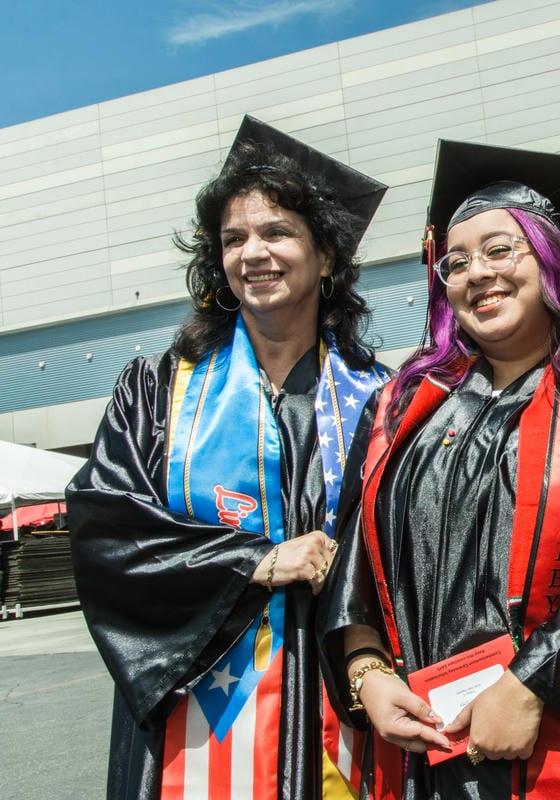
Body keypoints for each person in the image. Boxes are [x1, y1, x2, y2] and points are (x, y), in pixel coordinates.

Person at [317, 140, 560, 800]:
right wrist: (366, 671)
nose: (476, 274)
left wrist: (531, 685)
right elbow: (355, 557)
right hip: (424, 748)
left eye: (498, 250)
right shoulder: (400, 409)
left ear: (547, 262)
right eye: (456, 264)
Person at [67, 117, 390, 799]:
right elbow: (107, 530)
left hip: (339, 702)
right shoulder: (160, 392)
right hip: (200, 714)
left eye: (277, 232)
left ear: (326, 257)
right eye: (234, 239)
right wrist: (254, 561)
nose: (254, 253)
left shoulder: (379, 402)